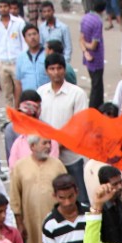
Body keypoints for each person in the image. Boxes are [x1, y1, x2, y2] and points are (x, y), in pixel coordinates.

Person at [10, 135, 67, 243]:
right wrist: (19, 222)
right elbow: (15, 195)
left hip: (54, 220)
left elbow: (66, 187)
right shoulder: (20, 167)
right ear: (33, 146)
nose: (48, 146)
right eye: (45, 143)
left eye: (50, 142)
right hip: (30, 221)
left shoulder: (57, 164)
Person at [39, 52, 90, 194]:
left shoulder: (77, 94)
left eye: (59, 68)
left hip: (72, 157)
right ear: (46, 71)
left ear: (65, 69)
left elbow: (80, 125)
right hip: (48, 157)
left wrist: (58, 145)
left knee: (80, 197)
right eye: (52, 69)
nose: (56, 72)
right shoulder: (41, 93)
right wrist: (50, 147)